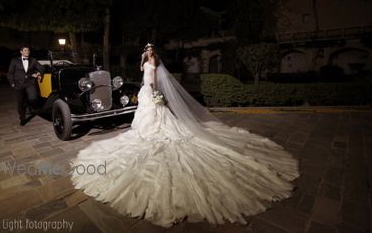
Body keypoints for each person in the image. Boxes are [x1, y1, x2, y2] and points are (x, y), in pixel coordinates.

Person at [70, 43, 299, 227]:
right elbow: (142, 72)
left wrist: (156, 91)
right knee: (143, 117)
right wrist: (141, 61)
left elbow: (155, 77)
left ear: (154, 52)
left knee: (157, 116)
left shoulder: (154, 61)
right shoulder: (145, 61)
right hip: (145, 90)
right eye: (147, 50)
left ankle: (155, 130)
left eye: (150, 50)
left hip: (152, 91)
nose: (149, 53)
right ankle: (145, 130)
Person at [7, 46, 44, 126]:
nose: (27, 51)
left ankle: (28, 106)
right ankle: (22, 118)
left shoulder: (33, 60)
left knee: (33, 98)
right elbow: (10, 73)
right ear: (21, 52)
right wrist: (12, 83)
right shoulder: (15, 61)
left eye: (28, 50)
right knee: (20, 102)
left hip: (30, 83)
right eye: (25, 50)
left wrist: (38, 73)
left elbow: (41, 68)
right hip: (19, 84)